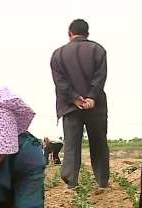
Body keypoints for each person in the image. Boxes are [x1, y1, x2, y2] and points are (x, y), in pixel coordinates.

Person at [50, 19, 109, 188]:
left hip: (69, 107)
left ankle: (71, 182)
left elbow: (59, 82)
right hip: (95, 105)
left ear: (70, 34)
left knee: (71, 145)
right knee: (98, 142)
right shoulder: (98, 50)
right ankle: (102, 181)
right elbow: (100, 77)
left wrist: (75, 98)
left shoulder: (58, 54)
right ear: (87, 33)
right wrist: (91, 97)